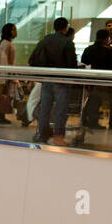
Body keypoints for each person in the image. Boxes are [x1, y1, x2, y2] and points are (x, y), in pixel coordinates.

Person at [30, 16, 79, 146]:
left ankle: (42, 134)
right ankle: (58, 136)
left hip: (47, 78)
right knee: (60, 109)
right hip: (61, 80)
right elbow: (72, 63)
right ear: (66, 28)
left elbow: (33, 57)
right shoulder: (67, 42)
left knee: (45, 108)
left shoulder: (45, 40)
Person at [80, 28, 112, 130]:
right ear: (106, 39)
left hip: (90, 79)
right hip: (103, 80)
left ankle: (85, 120)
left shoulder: (88, 49)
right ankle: (92, 122)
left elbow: (84, 62)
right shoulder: (109, 52)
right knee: (97, 101)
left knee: (92, 100)